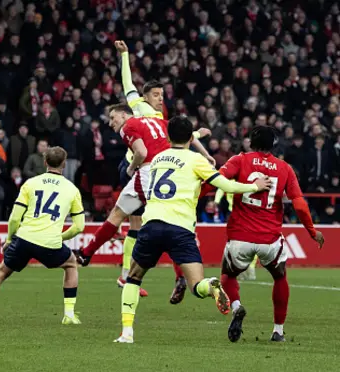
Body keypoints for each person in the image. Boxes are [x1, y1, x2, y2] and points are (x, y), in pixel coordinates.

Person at [112, 116, 272, 344]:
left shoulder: (157, 158)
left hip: (153, 224)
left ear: (167, 137)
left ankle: (127, 333)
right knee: (197, 286)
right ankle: (211, 285)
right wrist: (253, 186)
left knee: (133, 279)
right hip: (181, 229)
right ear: (190, 137)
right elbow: (225, 185)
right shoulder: (196, 160)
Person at [76, 103, 211, 301]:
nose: (111, 122)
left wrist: (131, 168)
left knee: (118, 214)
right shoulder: (157, 121)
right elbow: (186, 134)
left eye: (113, 118)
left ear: (124, 115)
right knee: (171, 222)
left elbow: (141, 152)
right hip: (172, 171)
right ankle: (180, 276)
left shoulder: (128, 126)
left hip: (151, 171)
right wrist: (204, 149)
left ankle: (87, 253)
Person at [201, 126, 325, 343]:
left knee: (228, 276)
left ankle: (237, 307)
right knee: (280, 278)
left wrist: (194, 196)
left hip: (240, 236)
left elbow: (214, 180)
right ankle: (278, 330)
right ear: (274, 144)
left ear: (250, 141)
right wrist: (312, 231)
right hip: (270, 239)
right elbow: (299, 204)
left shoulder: (239, 160)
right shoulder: (284, 168)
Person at [0, 146, 85, 325]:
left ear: (45, 163)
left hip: (25, 238)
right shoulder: (72, 189)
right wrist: (60, 238)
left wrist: (9, 239)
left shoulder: (31, 183)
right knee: (71, 265)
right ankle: (69, 314)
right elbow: (79, 227)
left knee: (2, 271)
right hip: (49, 242)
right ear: (64, 164)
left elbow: (14, 218)